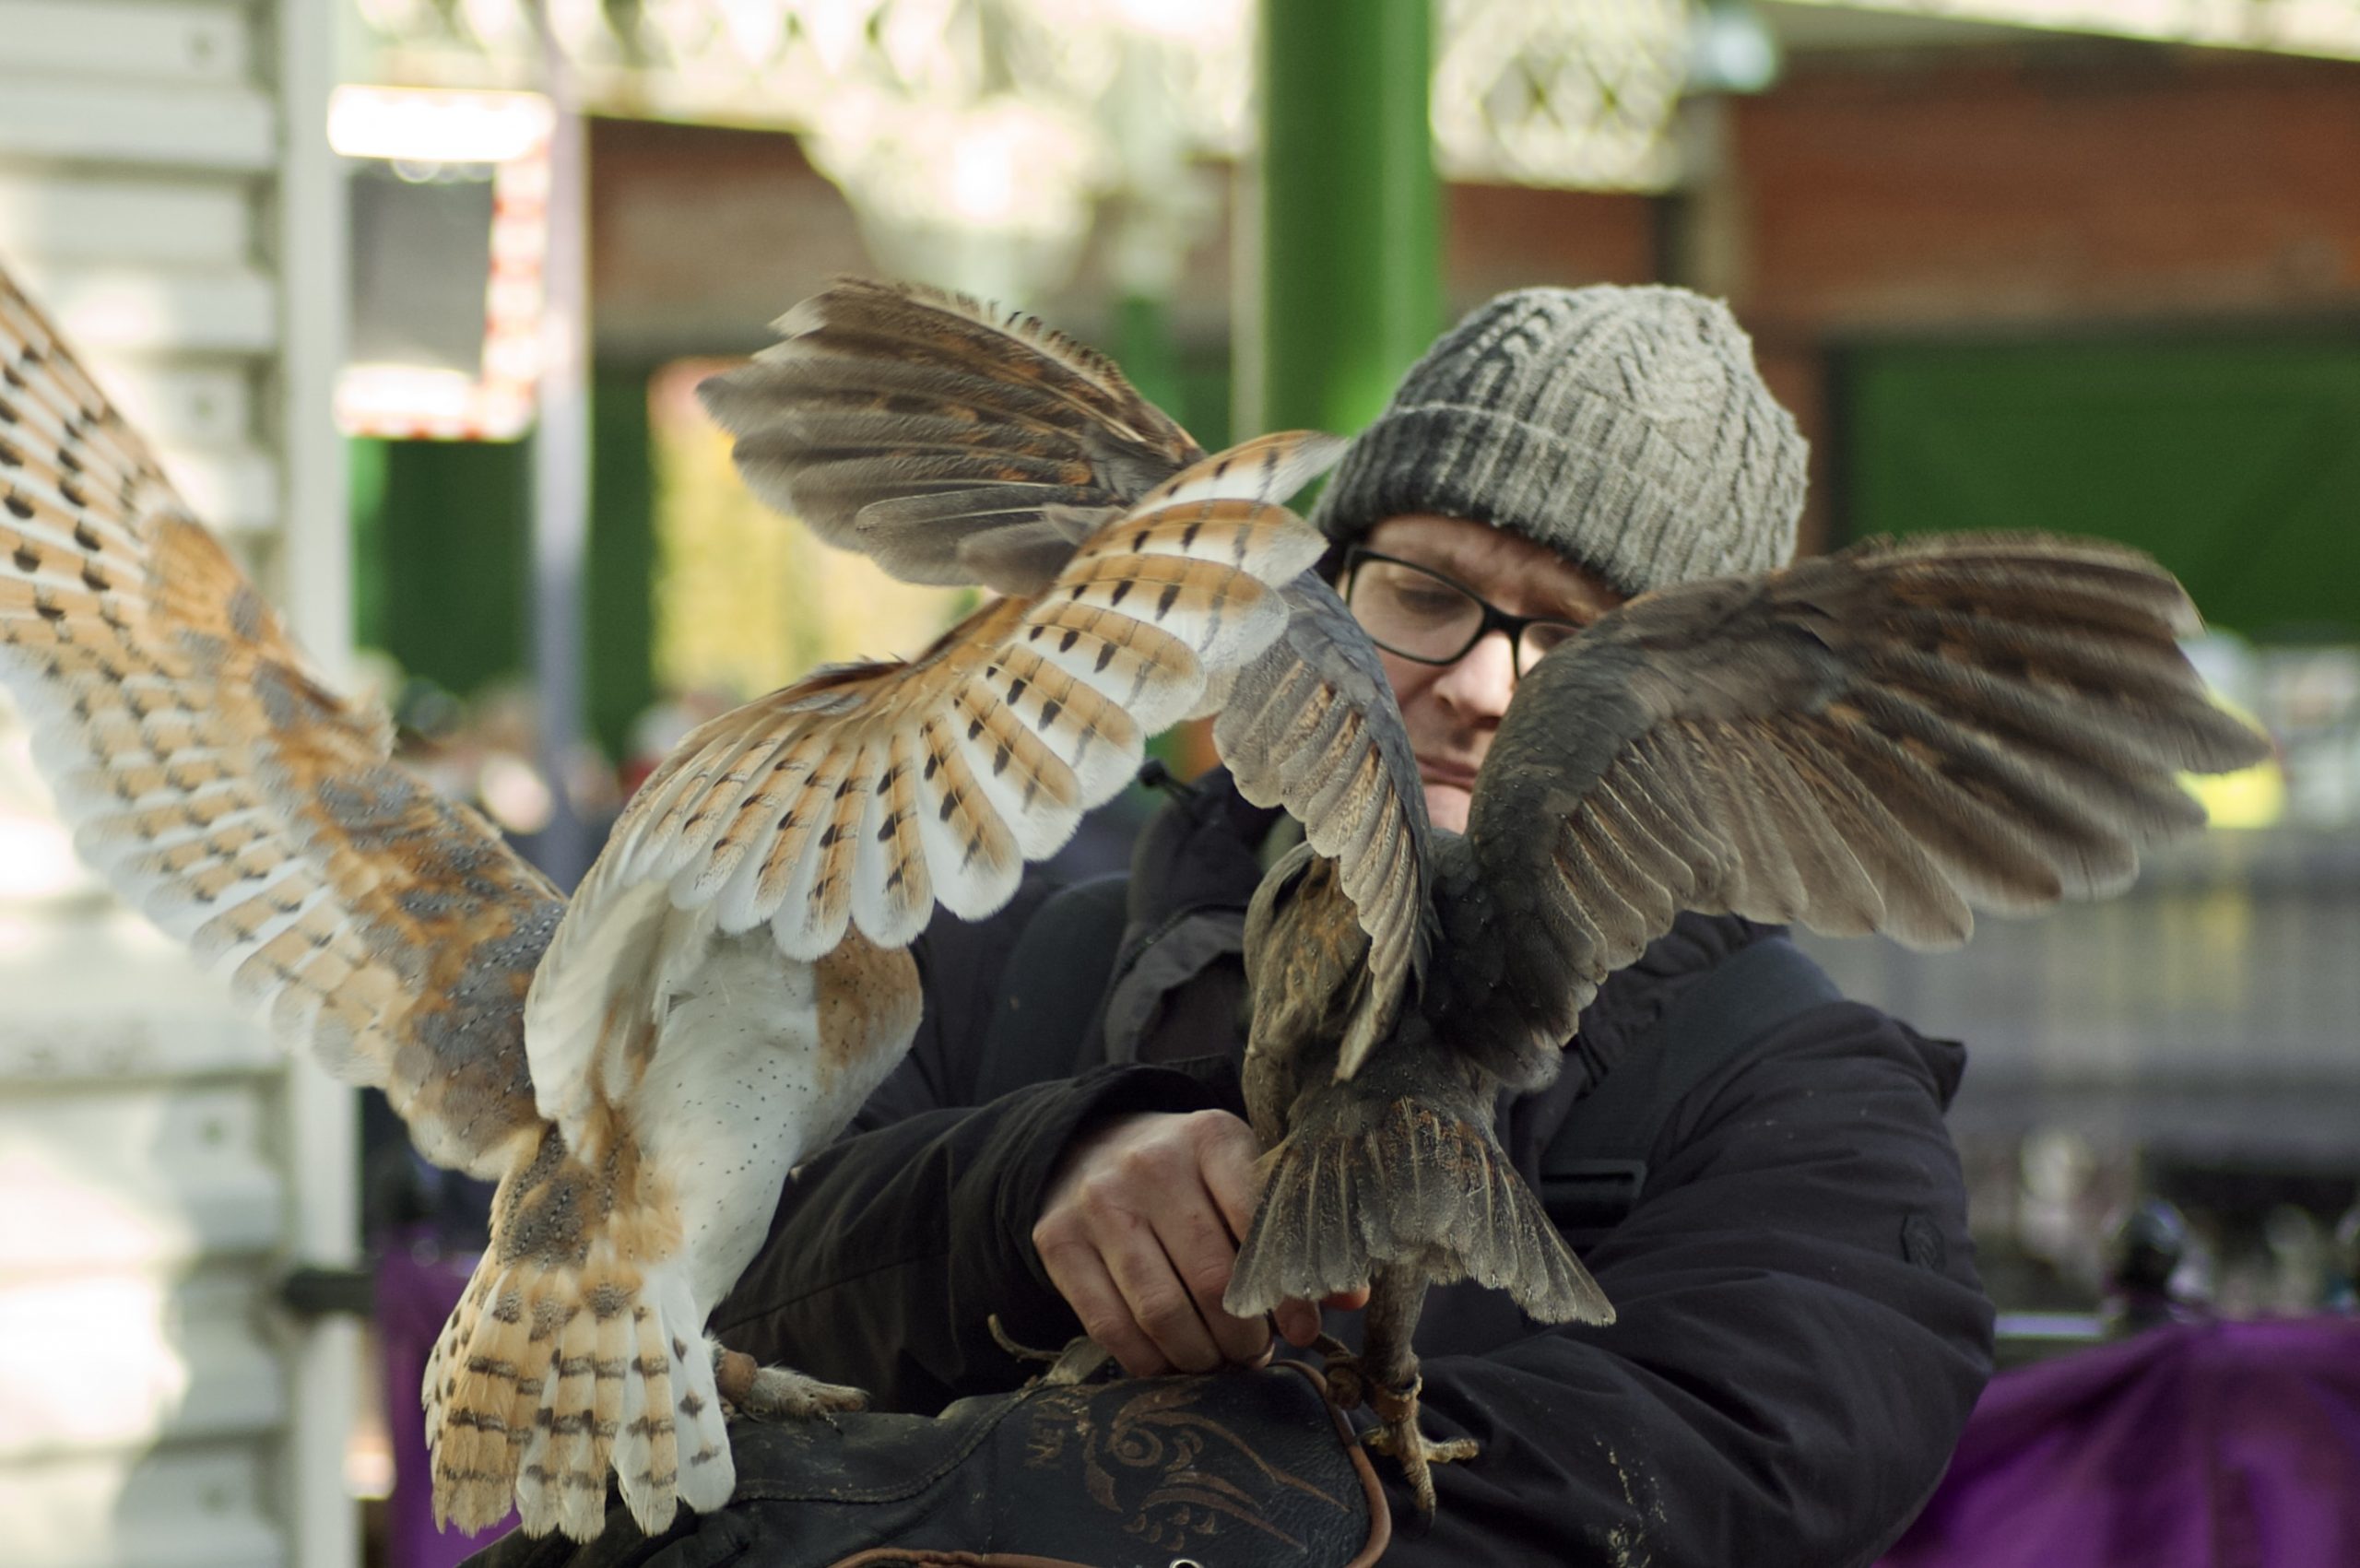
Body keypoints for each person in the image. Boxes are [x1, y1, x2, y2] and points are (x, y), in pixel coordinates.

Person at [482, 286, 1995, 1566]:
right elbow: (680, 1270)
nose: (1485, 686)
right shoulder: (1005, 954)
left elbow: (1729, 1464)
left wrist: (1057, 1497)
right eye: (1428, 592)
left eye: (1581, 643)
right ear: (1303, 597)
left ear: (1710, 733)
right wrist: (1036, 1177)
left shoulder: (1806, 1106)